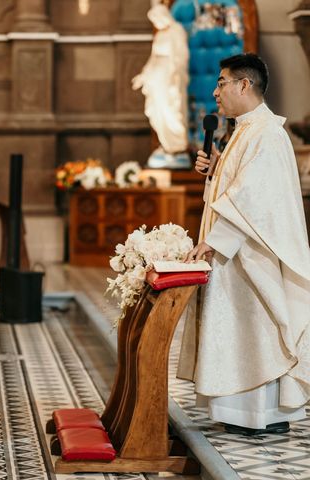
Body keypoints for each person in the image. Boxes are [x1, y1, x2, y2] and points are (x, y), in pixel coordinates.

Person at [179, 53, 310, 435]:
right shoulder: (245, 130)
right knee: (240, 335)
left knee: (257, 333)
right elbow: (239, 186)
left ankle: (262, 416)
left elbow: (253, 197)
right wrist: (217, 165)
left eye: (221, 82)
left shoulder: (267, 132)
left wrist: (213, 242)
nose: (215, 91)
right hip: (235, 256)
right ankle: (240, 414)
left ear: (243, 85)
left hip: (252, 257)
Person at [132, 2, 189, 155]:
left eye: (157, 19)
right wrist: (143, 76)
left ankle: (177, 146)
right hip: (156, 79)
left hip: (170, 77)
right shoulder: (160, 34)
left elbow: (182, 56)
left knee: (171, 111)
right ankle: (166, 145)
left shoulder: (176, 30)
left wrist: (175, 75)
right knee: (157, 112)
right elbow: (153, 58)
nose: (156, 23)